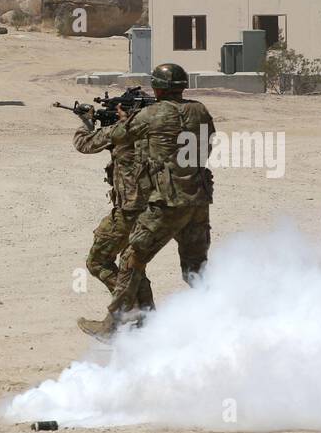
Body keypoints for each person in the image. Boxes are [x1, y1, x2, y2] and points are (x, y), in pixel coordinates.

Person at [78, 63, 215, 340]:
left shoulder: (150, 116)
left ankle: (113, 324)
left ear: (158, 88)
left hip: (167, 204)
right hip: (198, 201)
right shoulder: (199, 110)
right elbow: (206, 144)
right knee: (195, 271)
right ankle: (224, 318)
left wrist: (102, 124)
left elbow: (101, 140)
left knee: (131, 260)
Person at [73, 102, 155, 313]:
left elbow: (84, 144)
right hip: (155, 210)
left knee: (98, 261)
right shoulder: (160, 131)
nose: (117, 113)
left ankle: (130, 310)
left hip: (129, 211)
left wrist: (86, 122)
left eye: (119, 110)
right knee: (134, 266)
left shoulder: (121, 131)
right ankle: (149, 318)